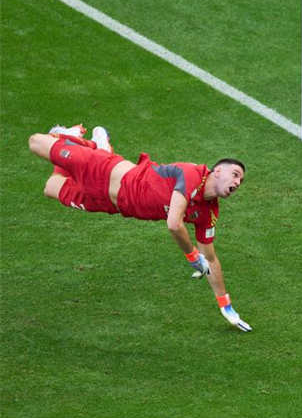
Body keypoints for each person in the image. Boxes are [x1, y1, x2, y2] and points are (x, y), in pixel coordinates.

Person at [28, 124, 252, 332]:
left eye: (240, 181)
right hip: (103, 169)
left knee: (51, 187)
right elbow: (174, 224)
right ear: (217, 171)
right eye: (235, 174)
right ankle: (88, 146)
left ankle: (99, 147)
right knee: (36, 142)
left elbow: (211, 259)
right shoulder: (193, 174)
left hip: (111, 203)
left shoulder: (209, 211)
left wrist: (226, 305)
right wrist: (193, 257)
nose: (237, 182)